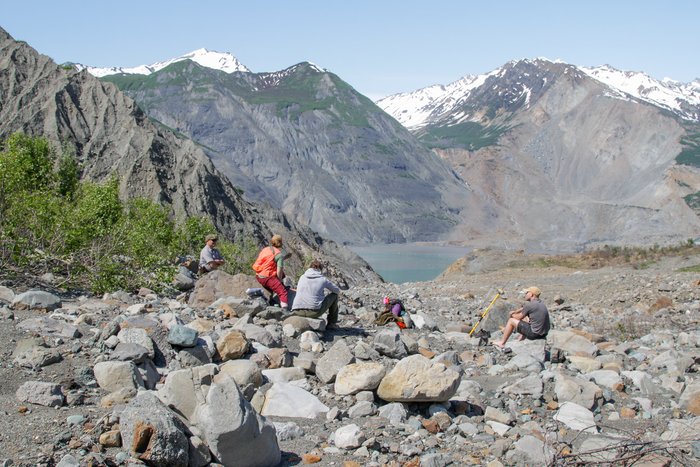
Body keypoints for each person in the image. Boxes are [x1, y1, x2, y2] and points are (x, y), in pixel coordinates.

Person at [291, 259, 341, 329]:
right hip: (314, 312)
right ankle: (331, 323)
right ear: (320, 269)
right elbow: (337, 291)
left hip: (297, 311)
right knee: (334, 296)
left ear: (310, 268)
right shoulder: (322, 279)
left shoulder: (302, 277)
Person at [252, 234, 290, 310]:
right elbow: (279, 271)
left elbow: (269, 261)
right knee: (283, 292)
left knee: (282, 274)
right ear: (280, 242)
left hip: (259, 275)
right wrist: (279, 283)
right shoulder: (279, 254)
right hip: (267, 278)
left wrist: (284, 258)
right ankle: (285, 310)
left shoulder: (266, 249)